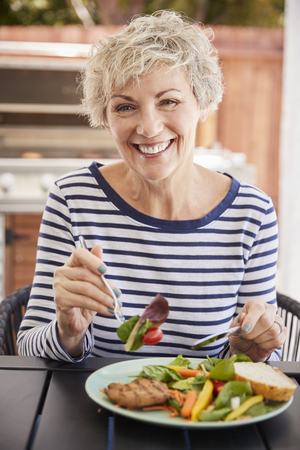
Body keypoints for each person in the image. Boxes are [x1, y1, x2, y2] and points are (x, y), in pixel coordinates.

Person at [17, 10, 286, 362]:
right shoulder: (73, 198)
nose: (149, 127)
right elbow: (27, 348)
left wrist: (251, 350)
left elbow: (265, 357)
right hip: (92, 412)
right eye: (125, 107)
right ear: (106, 118)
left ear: (202, 102)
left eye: (168, 101)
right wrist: (67, 332)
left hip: (200, 415)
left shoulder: (252, 214)